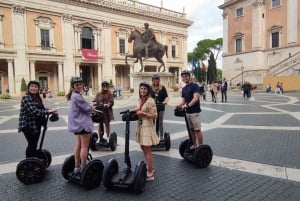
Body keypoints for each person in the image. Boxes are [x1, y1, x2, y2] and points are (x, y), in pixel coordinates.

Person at [18, 80, 57, 158]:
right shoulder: (26, 98)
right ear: (28, 88)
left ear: (38, 88)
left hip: (36, 124)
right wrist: (48, 111)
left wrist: (50, 110)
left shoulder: (37, 98)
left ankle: (33, 159)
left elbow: (41, 108)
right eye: (32, 86)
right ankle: (29, 161)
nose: (34, 88)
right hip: (28, 125)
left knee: (34, 144)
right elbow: (33, 111)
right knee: (32, 144)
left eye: (36, 87)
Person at [66, 77, 94, 174]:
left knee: (78, 145)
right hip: (83, 125)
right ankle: (83, 168)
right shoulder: (77, 96)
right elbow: (86, 108)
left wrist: (90, 104)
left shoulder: (74, 95)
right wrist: (92, 107)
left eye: (80, 84)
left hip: (77, 125)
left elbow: (83, 105)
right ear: (73, 86)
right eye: (77, 85)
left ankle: (77, 166)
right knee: (84, 147)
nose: (79, 86)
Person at [133, 81, 159, 181]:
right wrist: (133, 110)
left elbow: (155, 115)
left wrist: (143, 113)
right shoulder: (140, 99)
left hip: (147, 127)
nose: (143, 90)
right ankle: (149, 167)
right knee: (142, 147)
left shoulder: (150, 101)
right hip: (140, 125)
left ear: (148, 90)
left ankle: (151, 173)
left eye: (145, 89)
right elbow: (139, 109)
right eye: (141, 88)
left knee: (147, 150)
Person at [176, 70, 203, 150]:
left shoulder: (195, 86)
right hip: (187, 112)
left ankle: (200, 147)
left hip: (195, 112)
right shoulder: (184, 89)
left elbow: (195, 98)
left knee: (197, 130)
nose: (184, 78)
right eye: (183, 77)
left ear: (189, 77)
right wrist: (179, 105)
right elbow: (183, 100)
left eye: (186, 76)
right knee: (191, 130)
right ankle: (194, 145)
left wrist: (187, 105)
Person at [149, 74, 169, 140]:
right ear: (152, 80)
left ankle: (161, 137)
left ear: (159, 80)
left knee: (160, 122)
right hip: (152, 107)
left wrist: (165, 101)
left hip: (161, 106)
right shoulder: (149, 88)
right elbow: (147, 97)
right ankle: (153, 136)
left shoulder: (162, 88)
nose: (156, 80)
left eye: (157, 79)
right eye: (154, 79)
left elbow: (166, 97)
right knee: (152, 122)